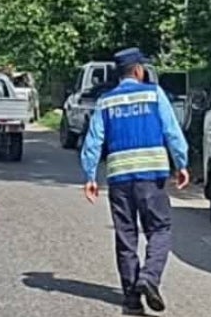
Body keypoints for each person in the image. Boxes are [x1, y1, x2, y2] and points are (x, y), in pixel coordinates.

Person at [80, 47, 190, 315]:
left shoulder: (105, 101)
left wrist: (90, 176)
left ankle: (131, 301)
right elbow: (172, 132)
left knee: (126, 237)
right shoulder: (154, 94)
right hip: (152, 177)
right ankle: (149, 278)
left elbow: (93, 142)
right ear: (139, 70)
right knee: (160, 230)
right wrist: (182, 163)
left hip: (119, 179)